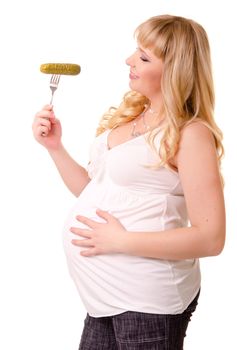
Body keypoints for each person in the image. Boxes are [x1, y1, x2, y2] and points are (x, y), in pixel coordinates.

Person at [32, 14, 226, 350]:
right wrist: (55, 148)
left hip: (147, 301)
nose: (129, 61)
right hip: (105, 296)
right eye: (136, 51)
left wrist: (121, 242)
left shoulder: (190, 135)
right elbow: (97, 192)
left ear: (175, 71)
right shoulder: (135, 116)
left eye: (144, 57)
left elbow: (211, 238)